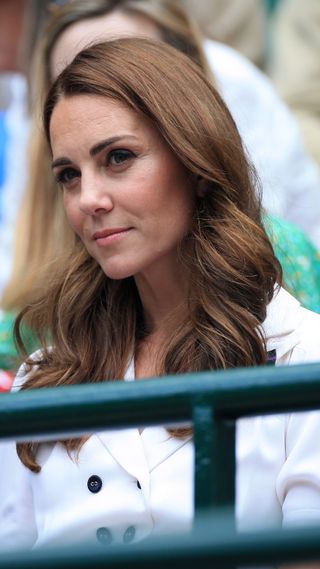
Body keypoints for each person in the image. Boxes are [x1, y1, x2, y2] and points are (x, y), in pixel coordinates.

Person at [1, 37, 320, 551]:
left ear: (195, 163)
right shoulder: (43, 378)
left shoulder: (304, 355)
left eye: (118, 158)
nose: (89, 199)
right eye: (68, 175)